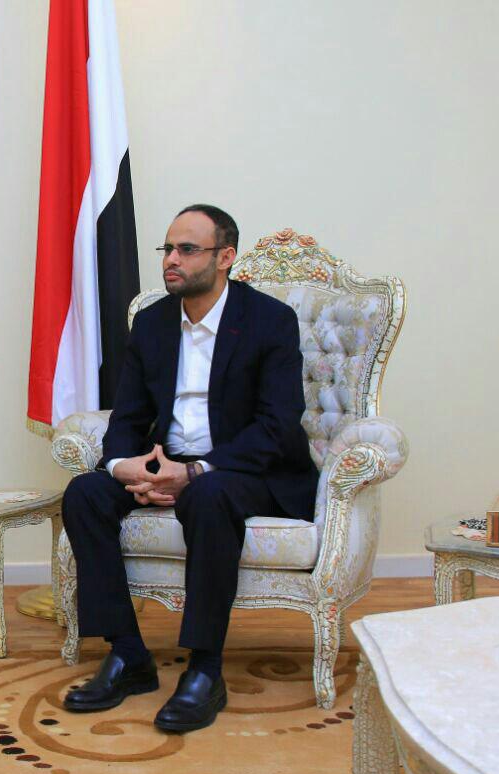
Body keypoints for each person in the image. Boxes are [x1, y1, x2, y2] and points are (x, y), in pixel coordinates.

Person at [60, 205, 317, 732]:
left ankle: (204, 667)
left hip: (247, 470)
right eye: (168, 249)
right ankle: (128, 654)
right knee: (84, 493)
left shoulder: (269, 320)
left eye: (187, 249)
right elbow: (129, 416)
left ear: (225, 257)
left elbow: (277, 425)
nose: (171, 260)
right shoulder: (153, 322)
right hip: (167, 463)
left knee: (208, 494)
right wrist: (125, 466)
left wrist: (195, 473)